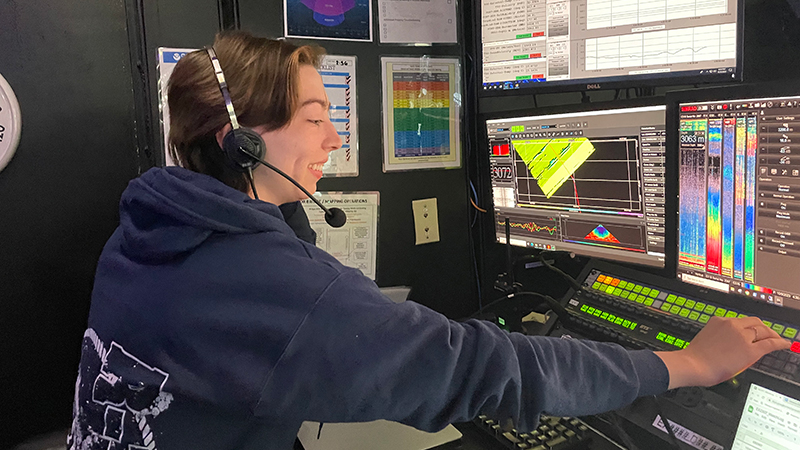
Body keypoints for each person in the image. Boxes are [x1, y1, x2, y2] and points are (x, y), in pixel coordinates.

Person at [68, 31, 790, 450]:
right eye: (316, 116)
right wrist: (686, 365)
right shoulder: (278, 296)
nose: (336, 136)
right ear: (244, 143)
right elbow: (487, 370)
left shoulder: (152, 228)